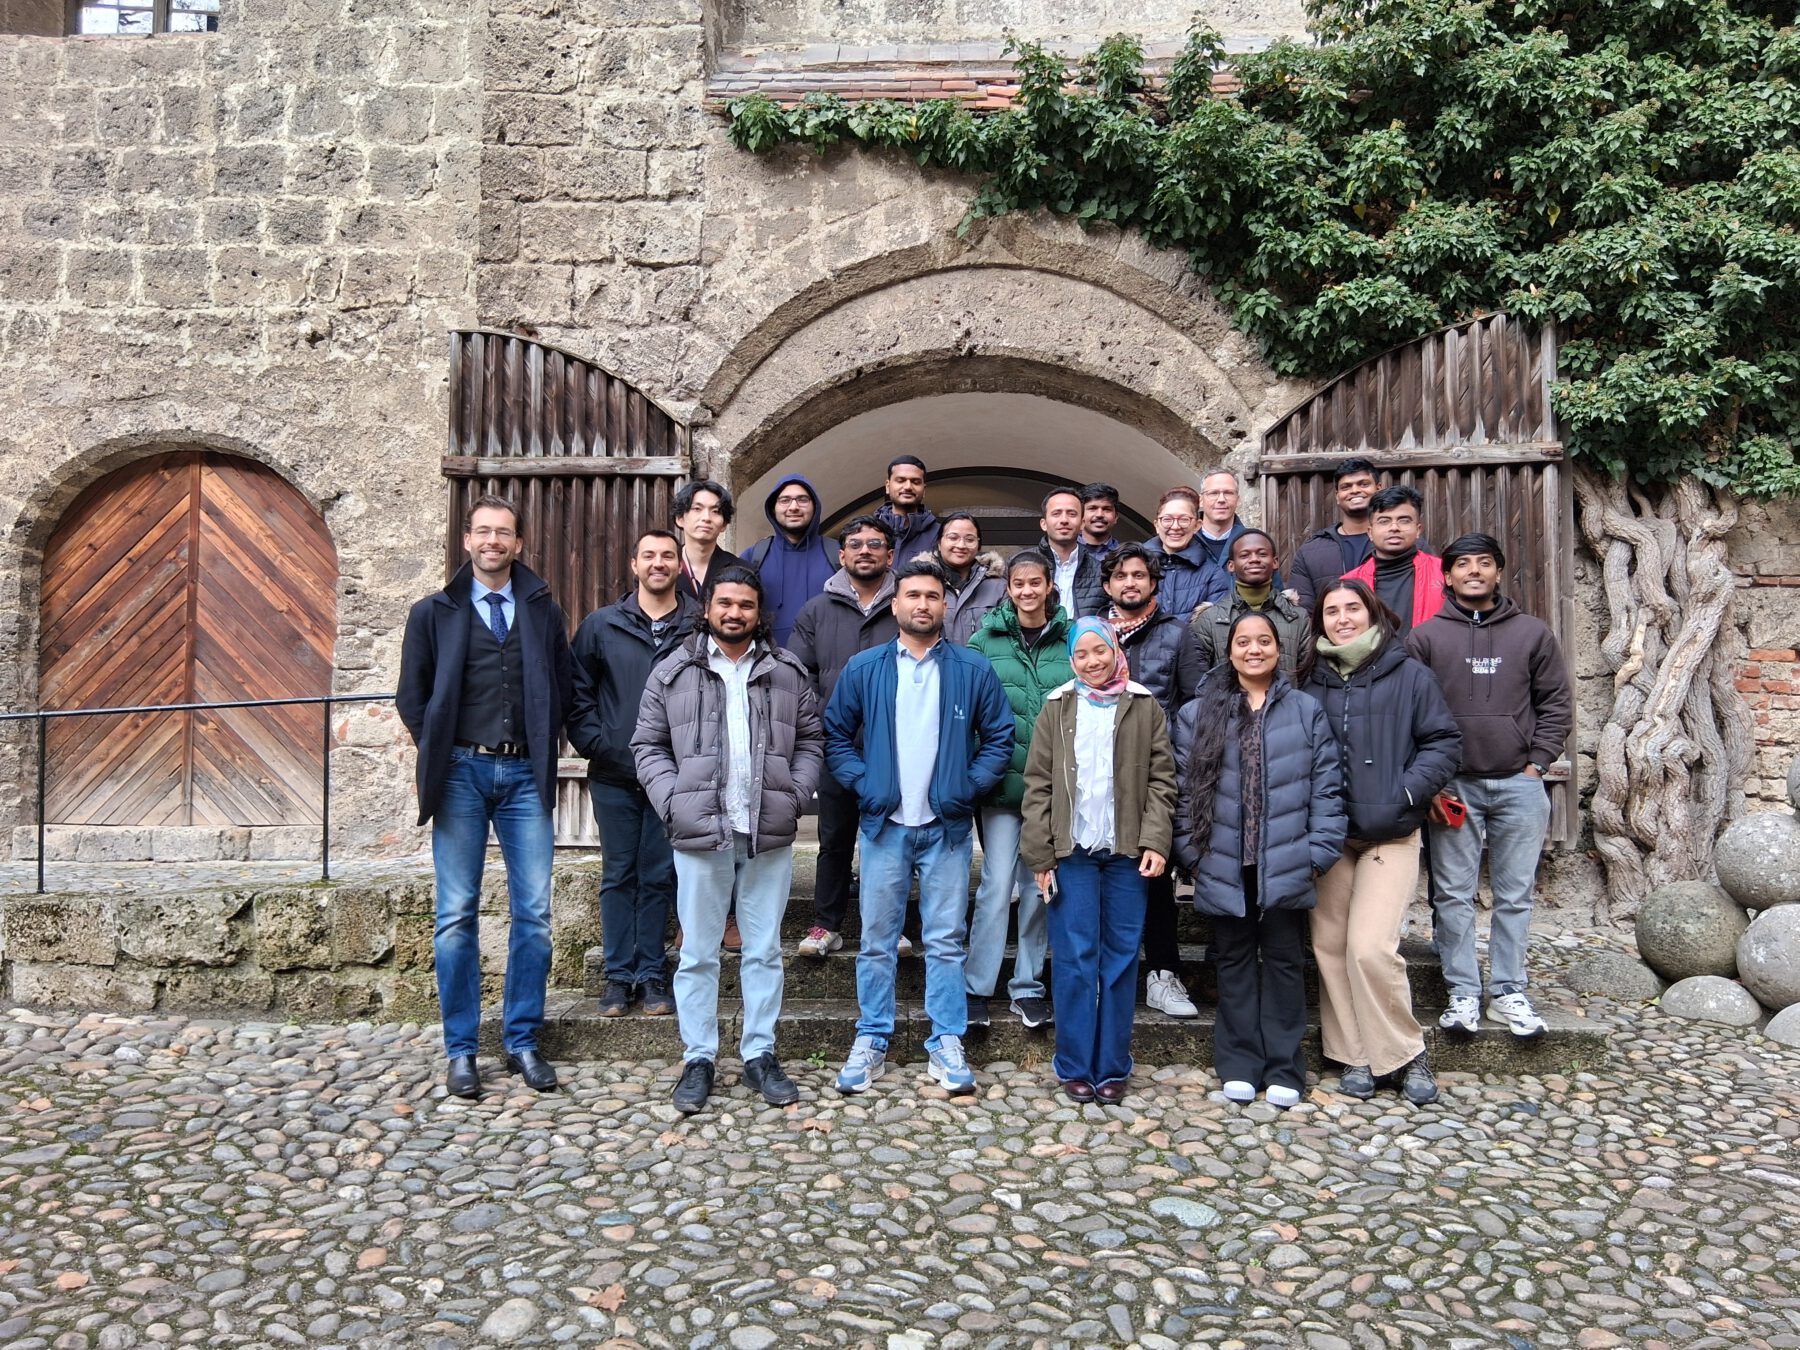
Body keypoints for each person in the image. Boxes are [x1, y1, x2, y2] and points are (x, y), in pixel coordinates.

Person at [396, 494, 575, 1100]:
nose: (494, 541)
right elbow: (411, 698)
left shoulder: (543, 610)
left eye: (505, 533)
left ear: (518, 544)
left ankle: (522, 1039)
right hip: (461, 775)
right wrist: (439, 748)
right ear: (467, 541)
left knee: (535, 916)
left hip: (525, 775)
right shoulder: (433, 613)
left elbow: (564, 683)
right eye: (484, 531)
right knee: (455, 917)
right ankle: (462, 1050)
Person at [632, 567, 826, 1113]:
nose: (735, 613)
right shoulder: (674, 671)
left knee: (763, 951)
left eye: (745, 604)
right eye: (725, 603)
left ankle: (760, 1055)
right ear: (708, 608)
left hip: (767, 828)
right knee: (697, 953)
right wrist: (673, 801)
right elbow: (647, 744)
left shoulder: (786, 671)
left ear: (759, 612)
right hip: (699, 831)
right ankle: (699, 1058)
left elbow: (812, 740)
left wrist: (795, 793)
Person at [825, 559, 1014, 1096]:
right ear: (895, 604)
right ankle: (872, 1037)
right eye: (913, 595)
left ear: (945, 605)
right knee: (877, 941)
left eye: (933, 596)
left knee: (945, 941)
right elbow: (836, 734)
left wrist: (966, 786)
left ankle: (946, 1039)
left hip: (946, 827)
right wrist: (864, 783)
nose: (923, 604)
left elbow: (1000, 735)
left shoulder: (971, 670)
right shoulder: (865, 668)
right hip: (885, 824)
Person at [1173, 612, 1345, 1109]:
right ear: (1229, 651)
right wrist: (1192, 854)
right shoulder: (1198, 713)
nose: (1254, 650)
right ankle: (1239, 1062)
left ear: (1278, 649)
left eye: (1264, 641)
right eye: (1243, 642)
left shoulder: (1305, 711)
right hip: (1223, 860)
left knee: (1287, 963)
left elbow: (1327, 787)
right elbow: (1182, 793)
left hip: (1287, 857)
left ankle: (1285, 1065)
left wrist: (1317, 853)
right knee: (1234, 963)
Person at [1301, 578, 1461, 1105]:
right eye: (1331, 611)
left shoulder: (1409, 674)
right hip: (1331, 833)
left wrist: (1408, 791)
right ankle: (1354, 1054)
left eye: (1352, 608)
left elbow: (1443, 741)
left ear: (1372, 613)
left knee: (1370, 948)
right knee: (1328, 946)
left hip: (1390, 831)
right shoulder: (1310, 680)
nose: (1342, 618)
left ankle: (1405, 1051)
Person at [1408, 533, 1574, 1041]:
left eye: (1484, 563)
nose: (1474, 572)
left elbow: (1556, 704)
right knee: (1453, 895)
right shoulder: (1427, 637)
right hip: (1454, 785)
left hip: (1518, 785)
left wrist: (1537, 764)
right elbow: (1411, 713)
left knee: (1515, 895)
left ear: (1499, 572)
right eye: (1463, 565)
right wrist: (1432, 780)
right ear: (1449, 575)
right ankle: (1462, 992)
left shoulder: (1532, 634)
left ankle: (1508, 991)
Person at [1021, 619, 1177, 1104]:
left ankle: (1112, 1065)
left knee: (1120, 958)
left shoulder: (1144, 704)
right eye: (1082, 654)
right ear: (1072, 660)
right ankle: (1073, 1064)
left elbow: (1162, 781)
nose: (1093, 661)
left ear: (1115, 650)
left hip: (1127, 853)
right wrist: (1040, 854)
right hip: (1074, 853)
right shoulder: (1057, 706)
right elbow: (1038, 785)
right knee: (1074, 958)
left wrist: (1156, 841)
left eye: (1100, 651)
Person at [568, 529, 701, 1018]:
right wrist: (598, 744)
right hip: (616, 772)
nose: (659, 563)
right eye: (649, 555)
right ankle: (617, 976)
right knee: (619, 873)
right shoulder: (602, 625)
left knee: (660, 874)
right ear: (634, 564)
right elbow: (577, 693)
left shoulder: (697, 625)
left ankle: (651, 973)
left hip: (677, 775)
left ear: (678, 565)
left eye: (668, 555)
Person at [966, 551, 1073, 1029]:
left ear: (1050, 586)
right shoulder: (984, 640)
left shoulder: (1073, 638)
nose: (1027, 591)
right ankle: (976, 985)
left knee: (1039, 886)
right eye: (1018, 584)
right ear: (1007, 588)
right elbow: (967, 708)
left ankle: (1027, 986)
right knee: (994, 887)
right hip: (1003, 785)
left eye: (1036, 583)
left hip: (1054, 787)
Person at [788, 515, 900, 958]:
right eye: (856, 544)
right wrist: (823, 723)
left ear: (890, 555)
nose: (865, 550)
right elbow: (800, 674)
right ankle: (825, 924)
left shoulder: (905, 604)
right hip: (836, 744)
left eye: (875, 544)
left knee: (890, 838)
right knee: (834, 839)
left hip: (892, 746)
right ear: (843, 555)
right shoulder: (817, 609)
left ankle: (889, 924)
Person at [1099, 543, 1199, 1020]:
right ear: (1107, 585)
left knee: (1154, 874)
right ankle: (1104, 974)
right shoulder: (1092, 632)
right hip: (1097, 773)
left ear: (1154, 583)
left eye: (1140, 575)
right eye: (1121, 576)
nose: (1130, 583)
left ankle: (1162, 973)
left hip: (1155, 774)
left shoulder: (1178, 634)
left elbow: (1194, 704)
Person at [1176, 528, 1311, 698]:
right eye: (1245, 555)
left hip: (1286, 716)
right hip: (1227, 718)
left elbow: (1308, 677)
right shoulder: (1210, 620)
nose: (1254, 559)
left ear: (1275, 562)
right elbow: (1198, 682)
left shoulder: (1297, 617)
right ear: (1231, 565)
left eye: (1262, 554)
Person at [741, 474, 838, 645]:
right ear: (773, 508)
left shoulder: (838, 554)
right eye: (785, 500)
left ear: (815, 507)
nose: (794, 507)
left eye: (802, 500)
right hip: (768, 663)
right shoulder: (753, 557)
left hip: (826, 664)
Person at [1344, 484, 1443, 633]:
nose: (1394, 527)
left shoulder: (1444, 574)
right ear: (1370, 532)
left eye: (1404, 520)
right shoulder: (1348, 583)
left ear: (1418, 529)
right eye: (1384, 521)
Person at [1289, 457, 1379, 609]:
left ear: (1379, 488)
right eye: (1346, 487)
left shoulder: (1405, 544)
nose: (1355, 490)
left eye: (1364, 484)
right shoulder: (1311, 552)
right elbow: (1302, 615)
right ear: (1337, 496)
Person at [1144, 486, 1231, 619]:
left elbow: (1214, 627)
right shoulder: (1135, 565)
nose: (1175, 527)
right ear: (1156, 525)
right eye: (1167, 519)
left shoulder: (1212, 574)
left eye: (1184, 519)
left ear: (1197, 525)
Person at [923, 510, 1008, 644]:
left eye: (969, 539)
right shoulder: (920, 581)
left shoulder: (999, 587)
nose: (961, 545)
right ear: (939, 543)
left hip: (983, 664)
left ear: (979, 545)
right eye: (953, 538)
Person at [1038, 487, 1106, 619]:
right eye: (1056, 513)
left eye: (1071, 514)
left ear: (1082, 523)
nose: (1064, 520)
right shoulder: (1022, 564)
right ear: (1044, 523)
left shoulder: (1101, 572)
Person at [673, 479, 744, 602]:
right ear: (680, 518)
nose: (706, 518)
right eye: (697, 509)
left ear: (724, 524)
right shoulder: (664, 567)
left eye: (715, 511)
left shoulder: (742, 569)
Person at [873, 454, 940, 561]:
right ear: (887, 486)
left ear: (924, 490)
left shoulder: (940, 535)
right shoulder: (867, 531)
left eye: (916, 482)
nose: (908, 486)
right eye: (900, 480)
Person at [1193, 468, 1249, 571]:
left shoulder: (1254, 542)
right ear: (1200, 500)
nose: (1221, 499)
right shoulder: (1185, 542)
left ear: (1238, 500)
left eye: (1228, 493)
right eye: (1213, 493)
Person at [1078, 483, 1122, 557]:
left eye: (1107, 509)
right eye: (1092, 508)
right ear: (1080, 515)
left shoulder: (1125, 556)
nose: (1099, 515)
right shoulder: (1062, 550)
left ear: (1116, 517)